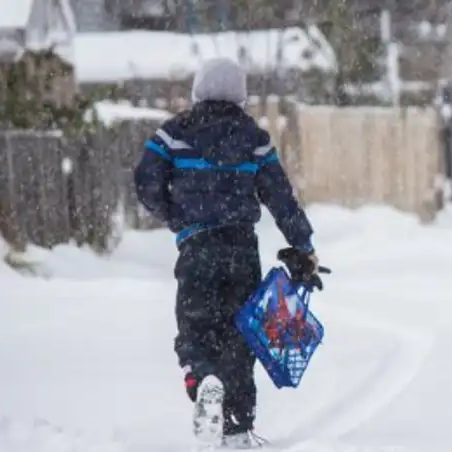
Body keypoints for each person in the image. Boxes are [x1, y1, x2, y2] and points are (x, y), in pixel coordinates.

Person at [133, 57, 319, 449]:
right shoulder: (253, 137)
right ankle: (236, 428)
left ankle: (202, 378)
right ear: (242, 94)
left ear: (198, 89)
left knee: (195, 327)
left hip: (197, 246)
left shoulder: (173, 133)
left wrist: (175, 216)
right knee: (239, 336)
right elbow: (281, 197)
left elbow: (146, 181)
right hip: (240, 249)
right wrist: (302, 246)